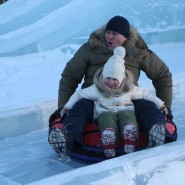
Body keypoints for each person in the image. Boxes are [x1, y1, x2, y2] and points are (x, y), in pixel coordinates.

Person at [48, 15, 175, 161]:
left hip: (126, 97)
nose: (110, 36)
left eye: (115, 34)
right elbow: (70, 76)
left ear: (125, 38)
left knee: (147, 106)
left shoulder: (138, 51)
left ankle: (157, 131)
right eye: (108, 32)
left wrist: (166, 105)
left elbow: (162, 75)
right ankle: (67, 141)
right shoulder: (90, 48)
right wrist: (63, 107)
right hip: (93, 95)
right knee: (78, 110)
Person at [59, 46, 167, 159]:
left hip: (126, 110)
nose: (110, 82)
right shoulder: (96, 89)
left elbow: (145, 95)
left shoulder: (129, 88)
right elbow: (79, 94)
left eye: (114, 79)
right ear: (103, 76)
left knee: (128, 118)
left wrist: (161, 104)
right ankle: (109, 141)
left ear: (121, 79)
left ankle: (129, 137)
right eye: (108, 78)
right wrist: (67, 107)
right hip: (104, 111)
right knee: (106, 120)